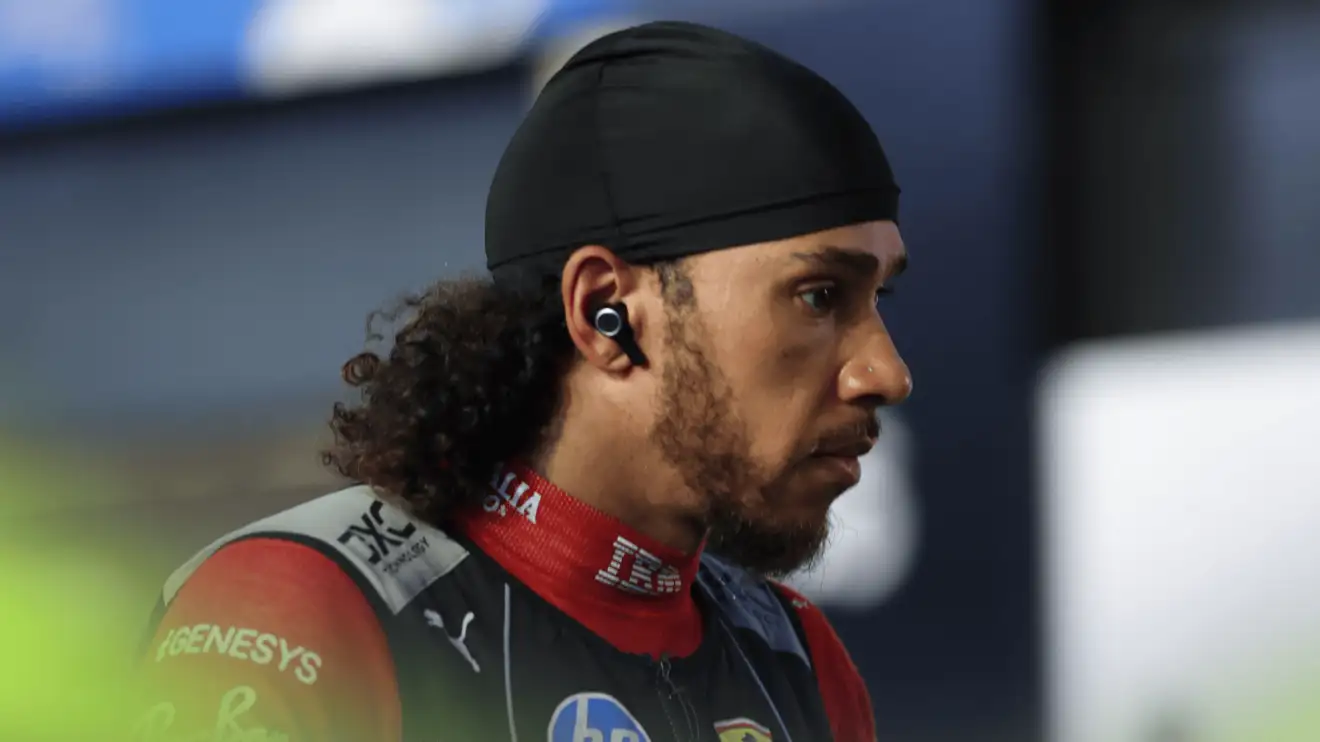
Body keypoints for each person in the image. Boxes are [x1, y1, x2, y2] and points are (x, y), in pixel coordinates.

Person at [132, 20, 911, 742]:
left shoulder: (798, 660)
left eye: (880, 299)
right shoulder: (295, 611)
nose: (887, 371)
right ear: (607, 312)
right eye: (818, 296)